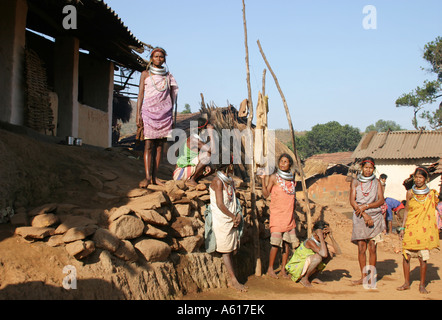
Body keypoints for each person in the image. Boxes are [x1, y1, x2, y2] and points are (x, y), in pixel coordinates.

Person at [136, 47, 178, 188]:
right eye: (156, 57)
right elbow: (140, 95)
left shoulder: (168, 76)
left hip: (164, 114)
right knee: (148, 145)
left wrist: (171, 116)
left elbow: (172, 97)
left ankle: (155, 177)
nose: (158, 59)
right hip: (148, 113)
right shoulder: (145, 75)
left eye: (161, 57)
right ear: (151, 58)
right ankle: (147, 177)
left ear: (164, 59)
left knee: (159, 146)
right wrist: (138, 114)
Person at [397, 167, 440, 294]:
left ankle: (422, 285)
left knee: (423, 258)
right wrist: (403, 227)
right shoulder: (410, 193)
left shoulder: (431, 194)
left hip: (424, 229)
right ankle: (406, 283)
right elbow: (407, 211)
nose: (418, 180)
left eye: (420, 177)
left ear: (426, 179)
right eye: (416, 177)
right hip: (411, 227)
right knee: (406, 256)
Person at [209, 161, 246, 292]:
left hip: (231, 217)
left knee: (233, 249)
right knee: (226, 251)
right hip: (223, 219)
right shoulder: (218, 181)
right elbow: (220, 204)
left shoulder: (229, 181)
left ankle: (234, 277)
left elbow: (233, 200)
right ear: (228, 166)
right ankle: (233, 280)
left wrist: (237, 215)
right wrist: (232, 216)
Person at [260, 153, 299, 279]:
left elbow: (294, 198)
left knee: (286, 244)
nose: (282, 164)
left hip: (289, 216)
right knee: (275, 243)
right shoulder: (274, 178)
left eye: (285, 162)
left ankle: (283, 269)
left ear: (290, 165)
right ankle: (270, 269)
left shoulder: (292, 179)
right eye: (281, 161)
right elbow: (266, 194)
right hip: (277, 215)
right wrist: (262, 180)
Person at [349, 157, 385, 287]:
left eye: (370, 168)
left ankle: (372, 277)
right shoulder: (355, 182)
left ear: (373, 169)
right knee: (361, 248)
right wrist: (363, 213)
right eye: (366, 167)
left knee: (372, 248)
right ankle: (363, 277)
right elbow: (352, 201)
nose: (368, 170)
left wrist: (367, 206)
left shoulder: (377, 182)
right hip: (359, 216)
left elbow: (381, 200)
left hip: (374, 216)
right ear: (362, 168)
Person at [285, 220, 338, 287]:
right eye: (322, 234)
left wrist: (331, 236)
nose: (324, 236)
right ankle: (304, 278)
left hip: (304, 266)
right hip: (297, 268)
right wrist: (321, 238)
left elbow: (337, 251)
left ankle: (312, 277)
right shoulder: (310, 242)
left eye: (326, 234)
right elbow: (324, 254)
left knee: (330, 254)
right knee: (318, 257)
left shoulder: (321, 242)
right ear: (315, 233)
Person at [173, 117, 215, 186]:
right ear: (202, 129)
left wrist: (206, 165)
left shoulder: (196, 138)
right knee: (207, 155)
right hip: (180, 173)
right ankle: (191, 180)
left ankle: (194, 179)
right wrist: (211, 133)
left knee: (211, 166)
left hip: (184, 171)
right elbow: (213, 150)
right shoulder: (194, 139)